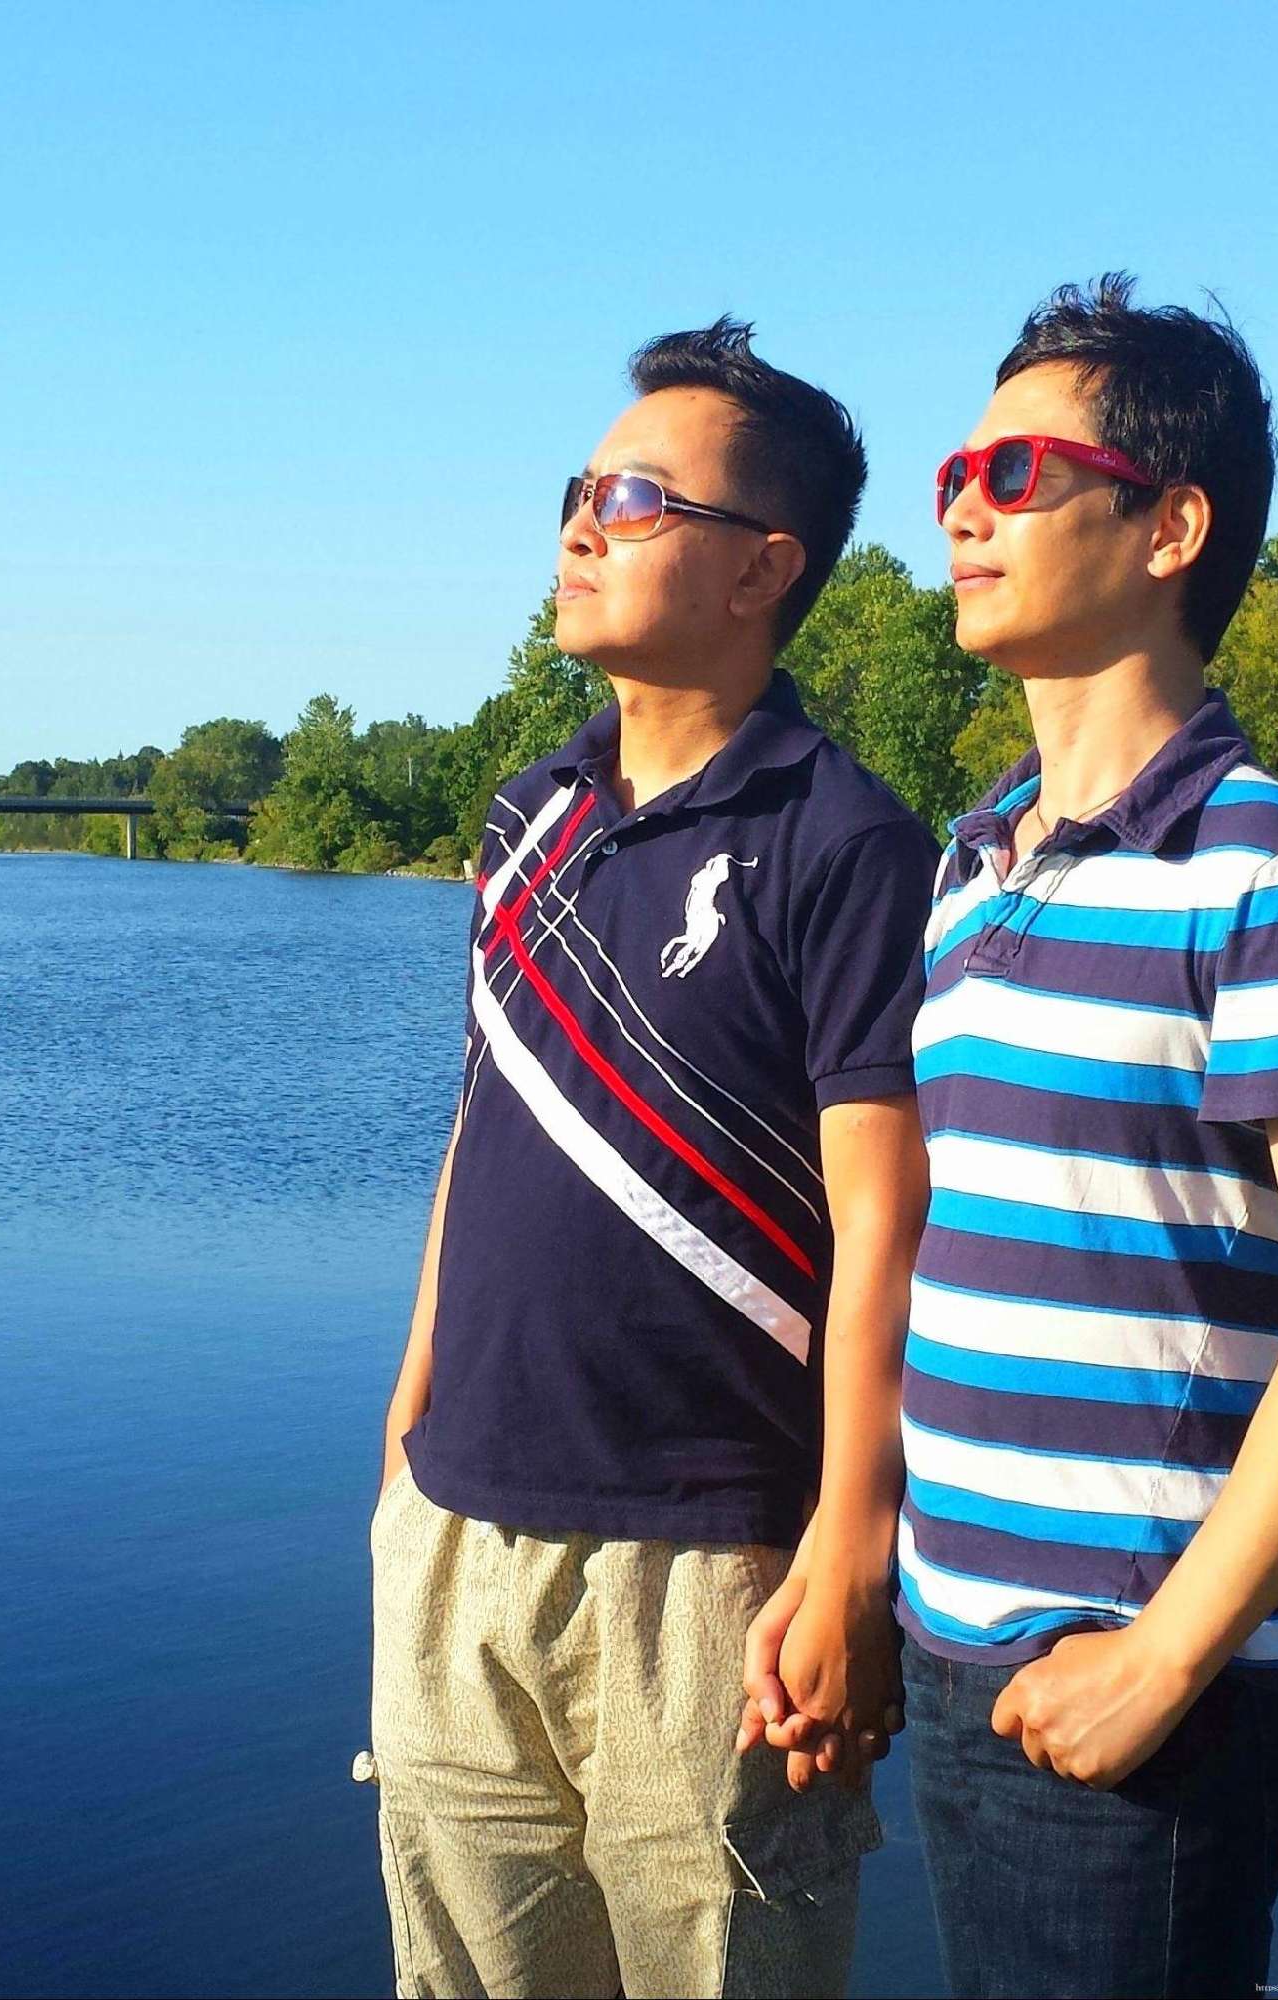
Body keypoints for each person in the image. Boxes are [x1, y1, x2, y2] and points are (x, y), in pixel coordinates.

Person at [745, 275, 1278, 1999]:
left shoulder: (1265, 872)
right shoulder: (972, 864)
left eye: (1017, 471)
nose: (963, 510)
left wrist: (1166, 1658)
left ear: (1169, 528)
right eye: (955, 476)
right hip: (958, 1647)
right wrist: (868, 1581)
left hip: (1144, 1685)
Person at [368, 317, 937, 2000]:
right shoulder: (524, 815)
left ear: (765, 565)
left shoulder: (845, 841)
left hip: (712, 1573)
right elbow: (483, 1126)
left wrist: (850, 1550)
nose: (579, 526)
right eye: (577, 491)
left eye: (631, 497)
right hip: (457, 1536)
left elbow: (886, 1220)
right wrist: (406, 1436)